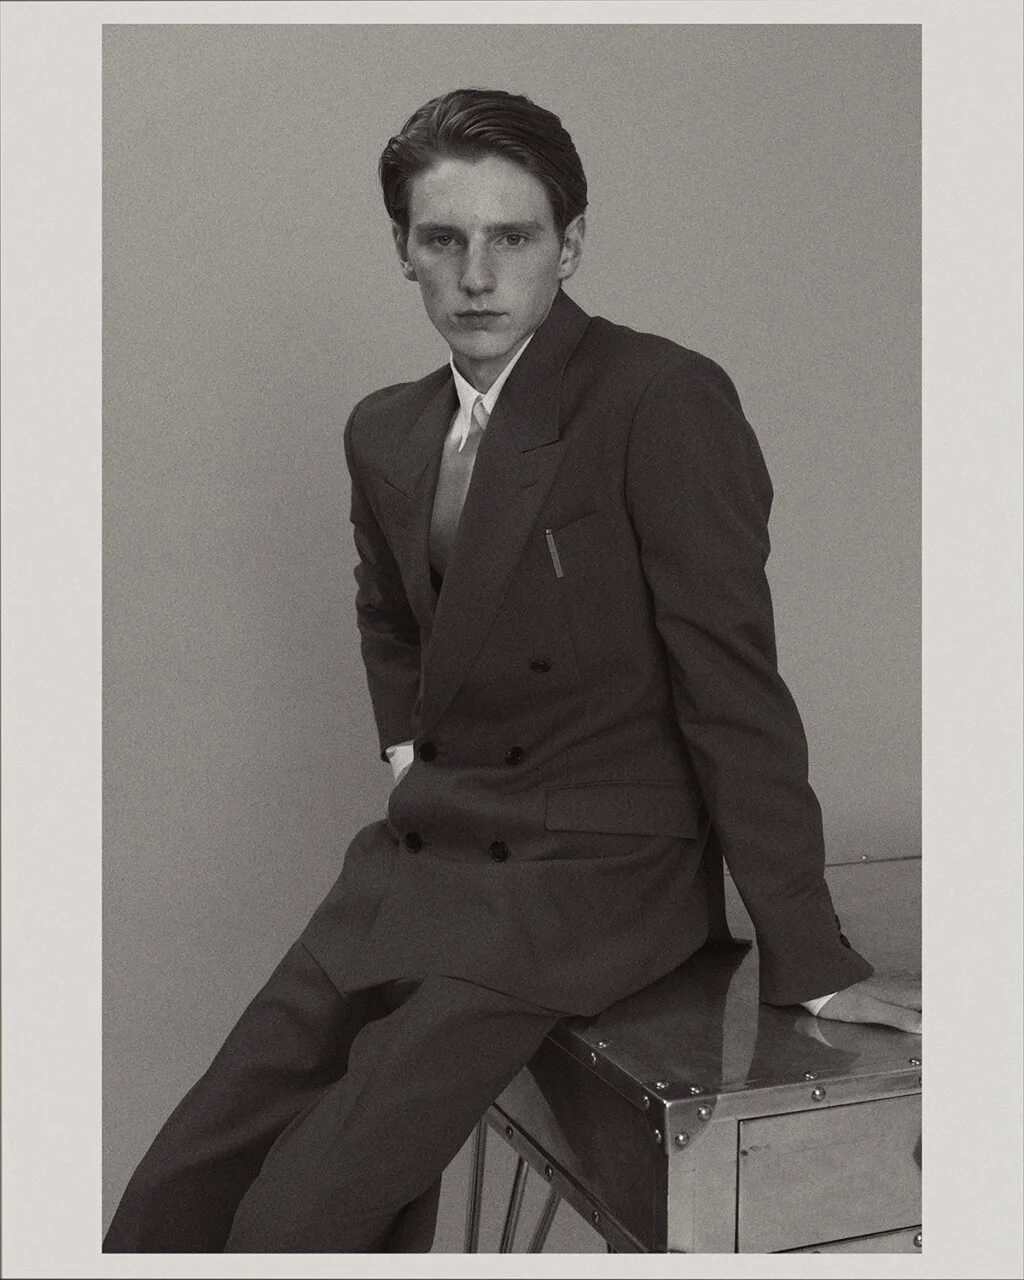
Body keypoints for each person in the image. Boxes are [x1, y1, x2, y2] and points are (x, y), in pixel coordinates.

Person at [104, 87, 921, 1254]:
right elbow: (388, 614)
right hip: (419, 853)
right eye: (443, 239)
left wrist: (814, 956)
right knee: (172, 1195)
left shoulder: (658, 397)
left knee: (298, 1217)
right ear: (404, 251)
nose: (477, 275)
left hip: (583, 878)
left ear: (568, 244)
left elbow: (732, 688)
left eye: (513, 236)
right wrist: (408, 756)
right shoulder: (385, 428)